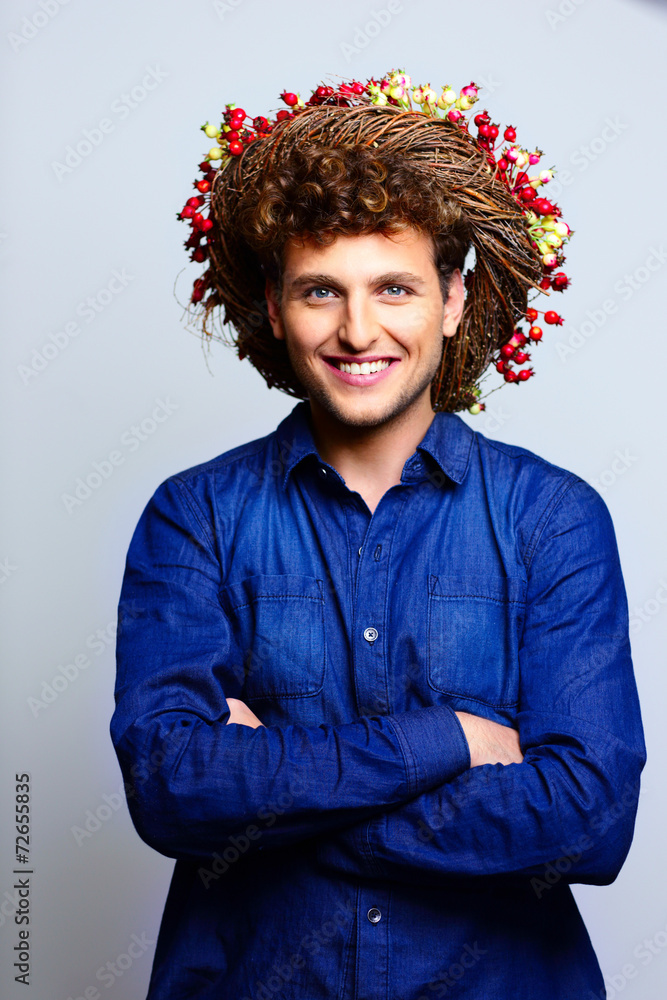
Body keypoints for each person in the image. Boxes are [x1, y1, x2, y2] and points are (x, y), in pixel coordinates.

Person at [111, 70, 646, 999]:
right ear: (275, 309)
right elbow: (170, 786)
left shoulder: (552, 519)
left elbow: (589, 819)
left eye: (392, 287)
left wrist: (275, 795)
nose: (358, 330)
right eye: (321, 292)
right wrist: (447, 742)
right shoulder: (192, 516)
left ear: (450, 301)